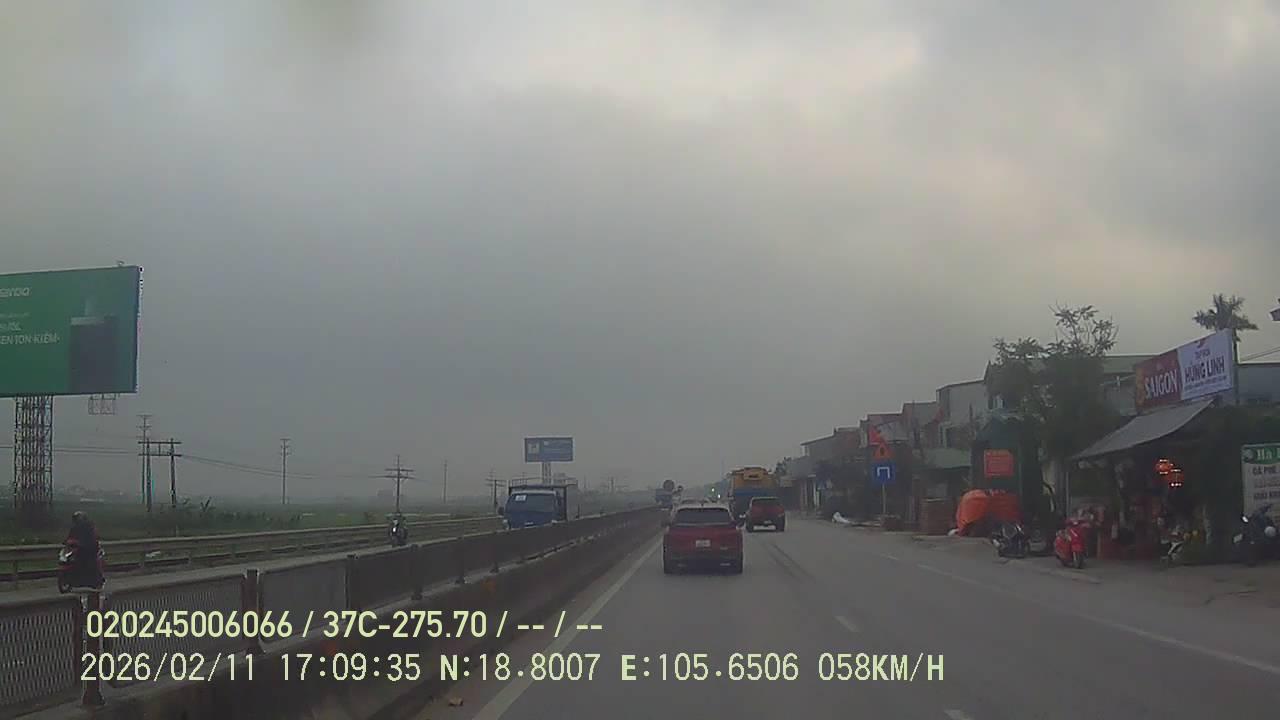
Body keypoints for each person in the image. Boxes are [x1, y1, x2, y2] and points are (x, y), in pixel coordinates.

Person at [66, 511, 103, 586]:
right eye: (76, 519)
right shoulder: (74, 528)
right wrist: (67, 542)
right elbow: (70, 536)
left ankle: (94, 579)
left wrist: (85, 542)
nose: (77, 520)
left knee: (89, 561)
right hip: (80, 547)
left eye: (78, 519)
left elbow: (92, 536)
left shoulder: (89, 526)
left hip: (90, 547)